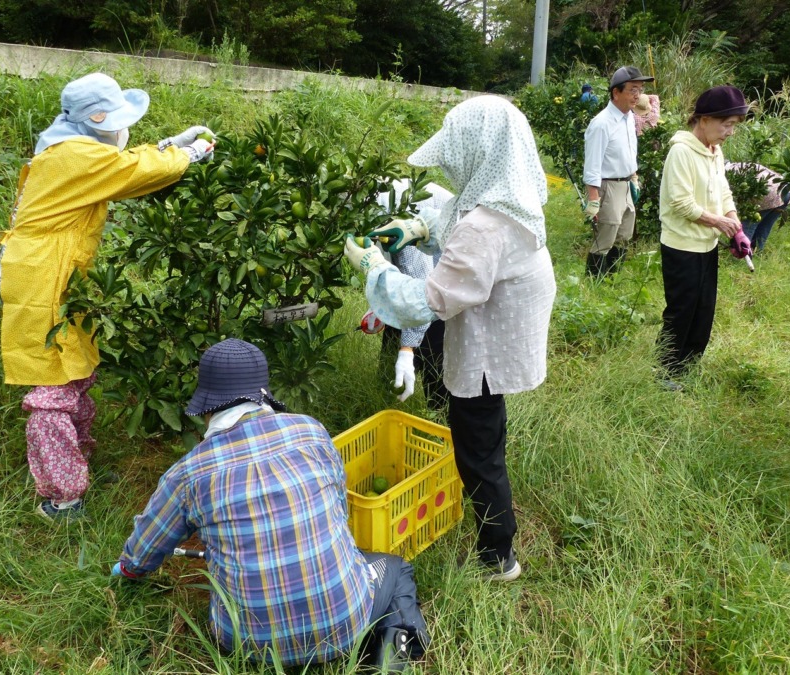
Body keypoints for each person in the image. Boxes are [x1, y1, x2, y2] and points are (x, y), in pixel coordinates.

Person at [111, 339, 429, 669]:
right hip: (345, 622)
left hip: (246, 645)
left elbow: (141, 555)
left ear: (207, 407)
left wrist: (127, 571)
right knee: (395, 567)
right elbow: (337, 513)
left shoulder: (189, 473)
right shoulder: (311, 431)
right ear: (262, 394)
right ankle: (392, 660)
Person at [344, 96, 556, 582]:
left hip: (484, 352)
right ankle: (492, 537)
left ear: (477, 152)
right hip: (499, 339)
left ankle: (497, 557)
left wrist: (373, 267)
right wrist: (418, 227)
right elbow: (461, 226)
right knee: (485, 438)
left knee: (479, 452)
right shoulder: (510, 198)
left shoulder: (487, 225)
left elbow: (429, 301)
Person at [0, 72, 216, 520]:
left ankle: (76, 463)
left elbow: (124, 164)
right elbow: (131, 169)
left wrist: (172, 143)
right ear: (96, 120)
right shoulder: (73, 155)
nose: (122, 127)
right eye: (115, 119)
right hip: (42, 277)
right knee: (52, 385)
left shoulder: (71, 146)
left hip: (54, 269)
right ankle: (62, 495)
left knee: (74, 369)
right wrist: (187, 154)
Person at [656, 86, 752, 388]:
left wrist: (735, 225)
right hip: (682, 246)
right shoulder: (681, 151)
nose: (730, 132)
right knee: (681, 310)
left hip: (706, 246)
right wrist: (719, 222)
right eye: (727, 124)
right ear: (705, 119)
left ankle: (687, 365)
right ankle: (666, 371)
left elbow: (723, 191)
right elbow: (681, 203)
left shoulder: (714, 150)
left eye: (734, 125)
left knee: (703, 309)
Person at [374, 178, 453, 412]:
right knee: (396, 336)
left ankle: (439, 415)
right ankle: (386, 400)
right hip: (418, 281)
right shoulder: (367, 206)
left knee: (433, 347)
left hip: (440, 281)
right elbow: (390, 269)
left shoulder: (395, 216)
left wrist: (407, 350)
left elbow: (422, 289)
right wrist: (381, 306)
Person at [582, 65, 655, 277]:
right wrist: (593, 198)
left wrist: (634, 177)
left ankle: (612, 278)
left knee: (624, 235)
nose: (638, 95)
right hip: (609, 185)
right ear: (616, 92)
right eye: (633, 89)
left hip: (626, 184)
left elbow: (629, 151)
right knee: (606, 236)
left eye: (640, 89)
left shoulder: (629, 117)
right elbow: (592, 164)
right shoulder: (602, 123)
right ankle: (594, 282)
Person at [725, 162, 790, 253]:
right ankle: (757, 252)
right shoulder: (741, 165)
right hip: (786, 191)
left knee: (748, 227)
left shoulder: (725, 173)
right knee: (765, 226)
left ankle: (742, 255)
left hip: (768, 193)